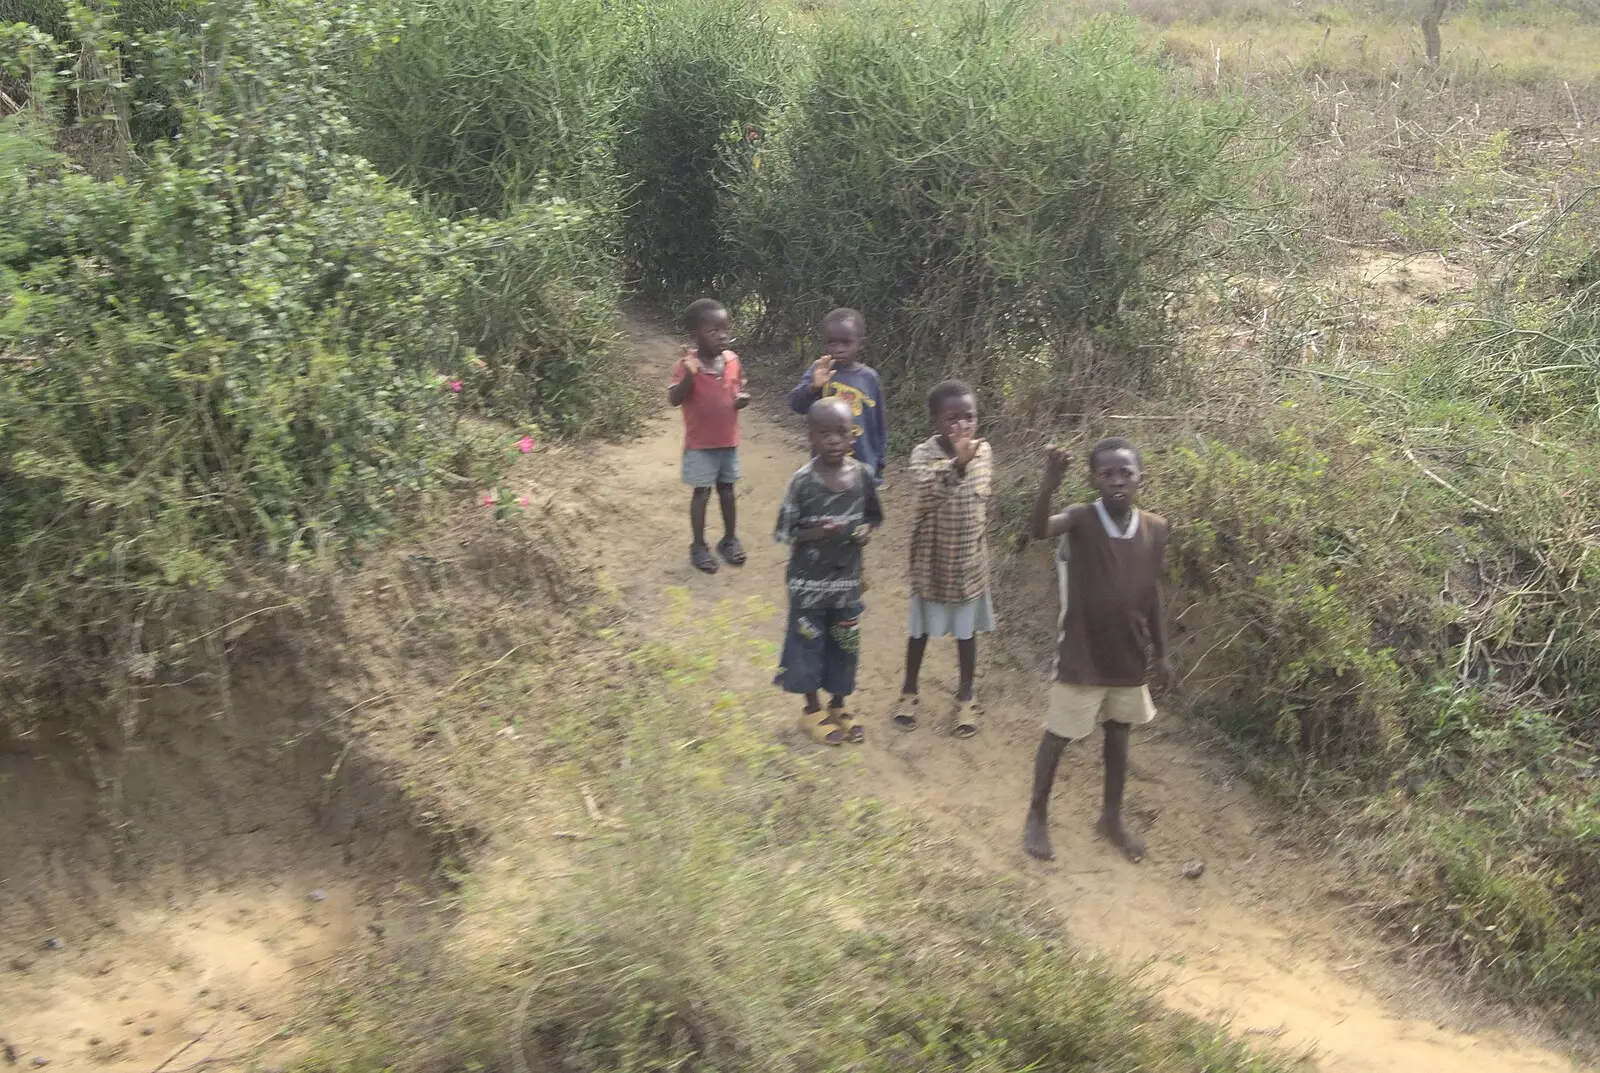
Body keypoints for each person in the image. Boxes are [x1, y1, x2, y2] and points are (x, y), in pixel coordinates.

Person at [1022, 438, 1175, 863]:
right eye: (1106, 473)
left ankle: (1111, 818)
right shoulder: (1081, 518)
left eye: (1125, 472)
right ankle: (1036, 814)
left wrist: (1161, 653)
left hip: (1128, 653)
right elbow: (1037, 531)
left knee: (1120, 731)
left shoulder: (1155, 528)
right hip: (1082, 650)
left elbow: (1153, 592)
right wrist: (1048, 486)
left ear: (1140, 477)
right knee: (1059, 734)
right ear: (1093, 479)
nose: (1116, 481)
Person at [773, 398, 884, 746]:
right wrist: (818, 532)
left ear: (853, 436)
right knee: (807, 646)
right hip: (809, 586)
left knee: (845, 644)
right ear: (812, 437)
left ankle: (839, 705)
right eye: (825, 434)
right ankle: (811, 710)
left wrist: (864, 531)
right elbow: (784, 532)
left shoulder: (863, 475)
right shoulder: (802, 482)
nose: (834, 440)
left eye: (841, 433)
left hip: (848, 584)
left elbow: (873, 517)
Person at [892, 381, 993, 737]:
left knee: (966, 634)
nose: (963, 425)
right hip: (931, 561)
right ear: (936, 421)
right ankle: (909, 691)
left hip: (968, 564)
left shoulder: (985, 451)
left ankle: (966, 697)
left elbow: (983, 506)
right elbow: (928, 491)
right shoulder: (923, 455)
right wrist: (957, 465)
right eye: (953, 418)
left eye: (970, 416)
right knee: (919, 631)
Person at [668, 298, 751, 574]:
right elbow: (674, 399)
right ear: (695, 334)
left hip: (728, 442)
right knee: (701, 494)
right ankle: (699, 545)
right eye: (713, 331)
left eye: (725, 329)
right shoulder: (686, 364)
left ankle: (729, 539)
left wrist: (740, 399)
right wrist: (690, 377)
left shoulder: (732, 361)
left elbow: (736, 389)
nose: (722, 335)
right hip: (700, 446)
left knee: (727, 490)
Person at [786, 308, 887, 486]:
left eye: (846, 342)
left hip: (863, 465)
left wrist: (879, 463)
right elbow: (795, 404)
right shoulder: (820, 371)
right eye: (832, 343)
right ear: (824, 344)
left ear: (861, 344)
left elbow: (879, 424)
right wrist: (814, 387)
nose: (839, 349)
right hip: (825, 466)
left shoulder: (870, 378)